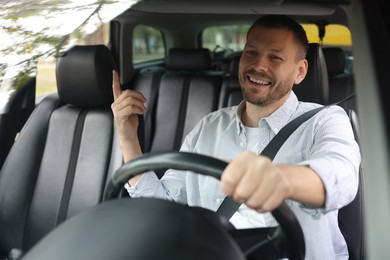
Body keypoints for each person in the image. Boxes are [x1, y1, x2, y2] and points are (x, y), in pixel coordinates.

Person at [111, 15, 361, 259]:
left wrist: (282, 179)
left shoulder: (325, 120)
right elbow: (165, 208)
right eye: (251, 52)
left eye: (275, 57)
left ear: (300, 71)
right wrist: (128, 137)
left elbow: (342, 176)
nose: (259, 66)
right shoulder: (208, 127)